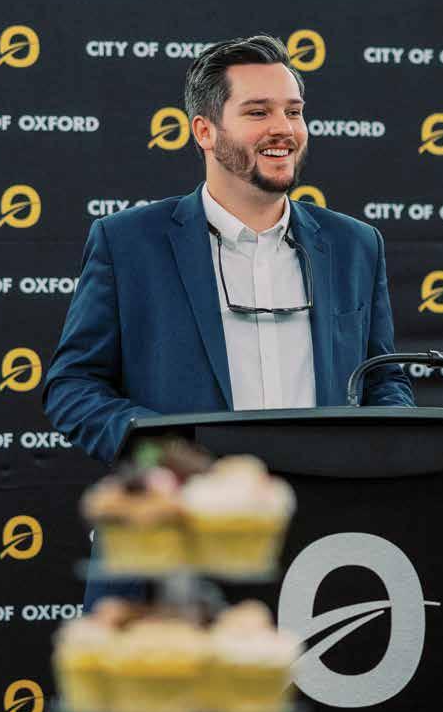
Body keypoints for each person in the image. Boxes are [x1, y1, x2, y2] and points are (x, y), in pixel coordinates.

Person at [43, 34, 413, 465]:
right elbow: (74, 387)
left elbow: (382, 378)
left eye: (293, 112)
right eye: (258, 112)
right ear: (205, 131)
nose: (284, 128)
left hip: (329, 496)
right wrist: (167, 456)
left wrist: (381, 451)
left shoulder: (356, 245)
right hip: (192, 502)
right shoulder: (127, 243)